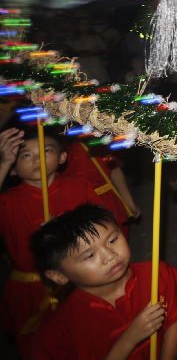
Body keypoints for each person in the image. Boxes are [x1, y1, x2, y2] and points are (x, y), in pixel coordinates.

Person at [32, 204, 177, 359]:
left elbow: (176, 320)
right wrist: (129, 339)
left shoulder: (156, 273)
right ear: (59, 276)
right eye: (89, 255)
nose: (110, 256)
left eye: (112, 240)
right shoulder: (64, 328)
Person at [0, 124, 101, 356]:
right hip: (31, 290)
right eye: (26, 155)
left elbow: (103, 226)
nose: (37, 159)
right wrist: (3, 162)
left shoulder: (80, 187)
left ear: (63, 157)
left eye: (46, 151)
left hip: (81, 282)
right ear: (13, 169)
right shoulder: (8, 202)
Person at [63, 140, 139, 235]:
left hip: (108, 203)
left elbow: (114, 170)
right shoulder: (63, 146)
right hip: (79, 207)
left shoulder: (99, 140)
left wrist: (129, 203)